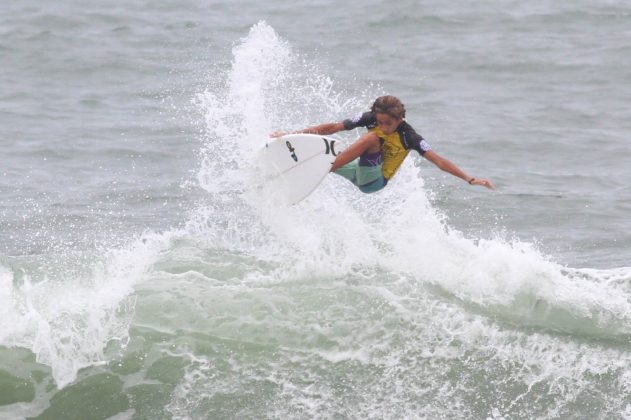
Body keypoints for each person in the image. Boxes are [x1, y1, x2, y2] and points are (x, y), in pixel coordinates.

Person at [271, 95, 494, 193]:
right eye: (379, 122)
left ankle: (325, 167)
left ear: (400, 119)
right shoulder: (371, 117)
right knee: (326, 151)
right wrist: (291, 134)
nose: (383, 126)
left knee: (370, 139)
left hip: (375, 182)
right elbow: (334, 127)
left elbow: (439, 160)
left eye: (388, 123)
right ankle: (290, 174)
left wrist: (469, 179)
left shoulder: (410, 137)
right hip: (358, 171)